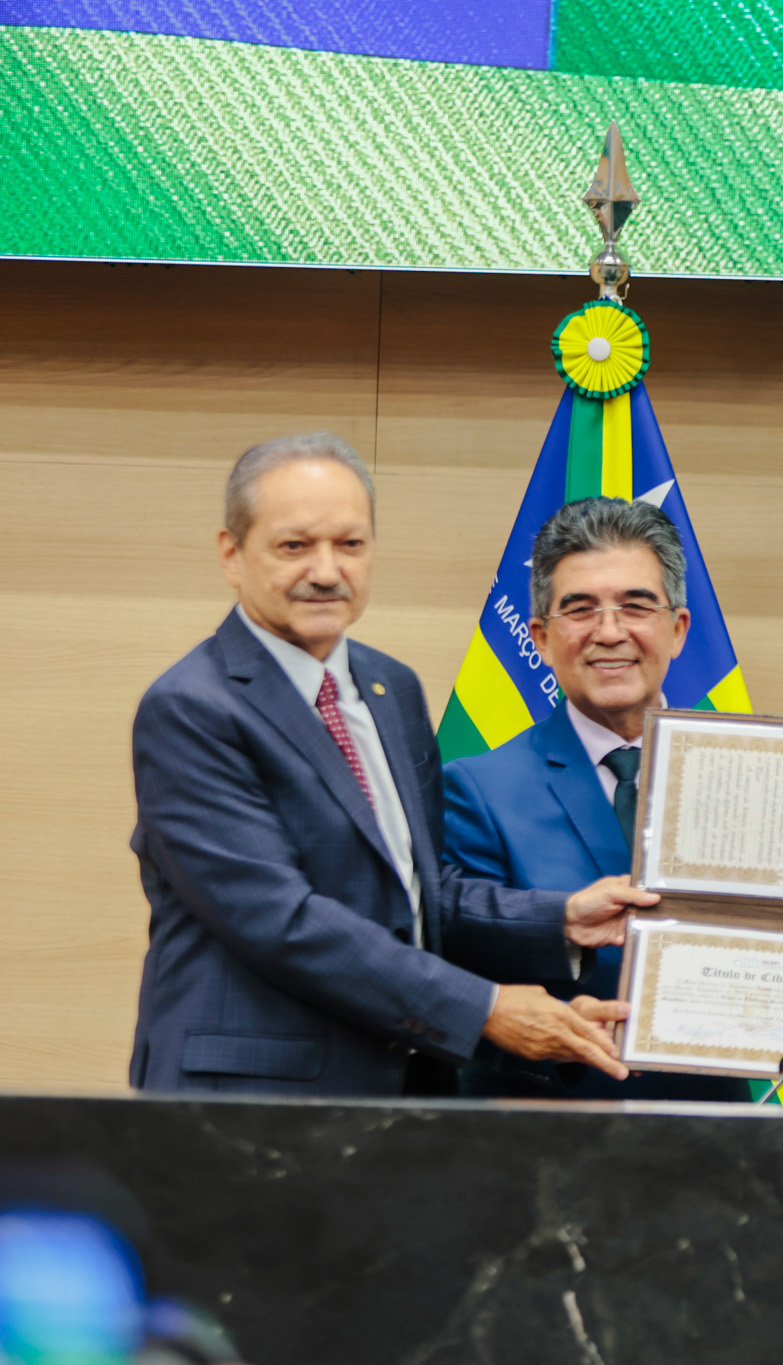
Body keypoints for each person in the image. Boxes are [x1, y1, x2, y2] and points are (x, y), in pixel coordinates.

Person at [129, 433, 654, 1096]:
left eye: (350, 544)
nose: (326, 570)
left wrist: (563, 920)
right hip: (253, 1099)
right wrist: (487, 1009)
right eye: (295, 546)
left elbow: (419, 894)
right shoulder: (192, 708)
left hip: (399, 1092)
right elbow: (283, 921)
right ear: (232, 554)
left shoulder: (390, 689)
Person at [442, 497, 749, 1101]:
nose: (610, 633)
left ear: (678, 629)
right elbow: (452, 953)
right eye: (580, 610)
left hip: (718, 1127)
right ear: (541, 637)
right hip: (545, 1121)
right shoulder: (477, 787)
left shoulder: (752, 781)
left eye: (636, 606)